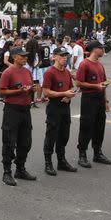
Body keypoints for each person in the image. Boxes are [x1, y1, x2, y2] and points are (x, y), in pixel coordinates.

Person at [0, 46, 37, 186]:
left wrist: (32, 89)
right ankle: (6, 172)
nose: (25, 58)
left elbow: (30, 87)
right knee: (9, 142)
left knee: (26, 142)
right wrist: (17, 91)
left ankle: (20, 168)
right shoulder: (8, 72)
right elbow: (1, 92)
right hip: (12, 110)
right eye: (22, 56)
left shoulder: (27, 72)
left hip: (25, 110)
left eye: (26, 56)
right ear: (14, 57)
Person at [74, 41, 111, 168]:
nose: (103, 50)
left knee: (100, 126)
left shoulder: (100, 65)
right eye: (101, 48)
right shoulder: (85, 64)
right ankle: (82, 154)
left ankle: (98, 153)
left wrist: (106, 100)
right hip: (89, 98)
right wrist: (95, 86)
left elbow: (103, 83)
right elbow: (79, 83)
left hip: (100, 98)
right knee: (86, 126)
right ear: (94, 49)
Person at [41, 46, 77, 176]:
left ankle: (61, 161)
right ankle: (48, 162)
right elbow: (45, 92)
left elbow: (71, 88)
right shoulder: (50, 72)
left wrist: (69, 95)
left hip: (65, 107)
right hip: (54, 107)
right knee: (51, 135)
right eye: (61, 56)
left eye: (66, 56)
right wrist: (63, 93)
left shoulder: (67, 72)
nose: (64, 58)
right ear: (54, 56)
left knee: (64, 135)